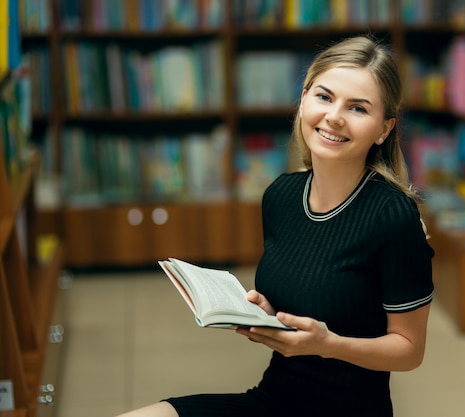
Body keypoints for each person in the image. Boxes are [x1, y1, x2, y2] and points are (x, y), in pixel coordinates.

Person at [116, 35, 434, 417]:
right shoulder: (281, 196)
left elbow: (409, 350)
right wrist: (265, 314)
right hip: (274, 399)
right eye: (324, 97)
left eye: (358, 108)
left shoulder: (393, 215)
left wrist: (328, 344)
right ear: (303, 101)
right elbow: (306, 296)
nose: (334, 116)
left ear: (384, 129)